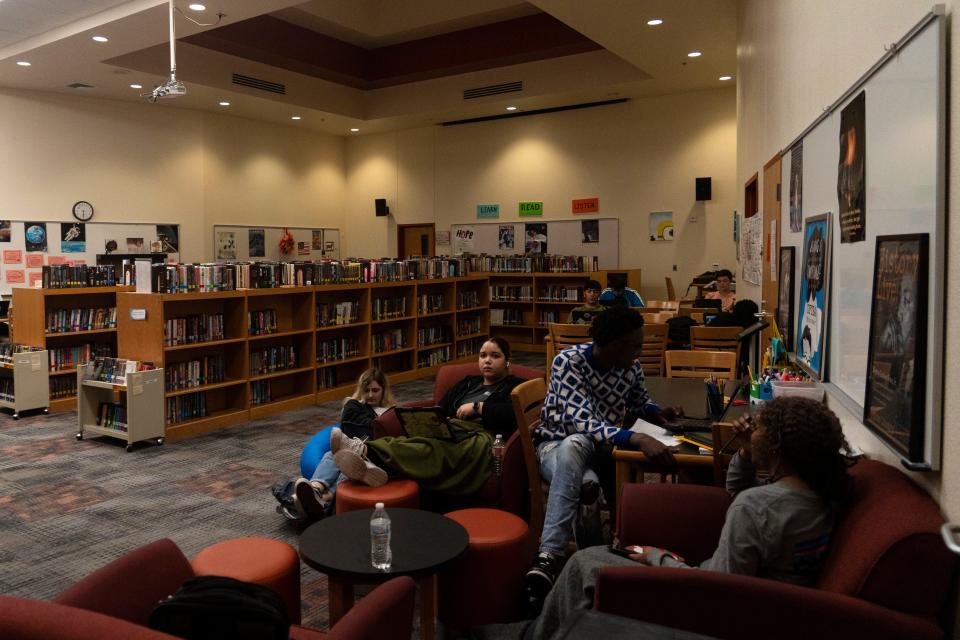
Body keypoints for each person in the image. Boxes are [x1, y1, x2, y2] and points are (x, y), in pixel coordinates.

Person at [495, 397, 852, 640]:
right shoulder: (820, 492)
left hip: (710, 605)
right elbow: (737, 493)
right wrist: (744, 451)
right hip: (761, 603)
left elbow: (719, 593)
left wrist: (658, 557)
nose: (749, 431)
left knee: (584, 562)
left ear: (775, 445)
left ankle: (531, 635)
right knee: (601, 559)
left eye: (757, 429)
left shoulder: (757, 508)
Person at [525, 307, 677, 600]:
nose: (640, 352)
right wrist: (638, 437)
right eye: (635, 346)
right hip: (554, 447)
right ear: (614, 344)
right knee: (577, 452)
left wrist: (657, 413)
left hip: (600, 449)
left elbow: (639, 399)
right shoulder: (569, 363)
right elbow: (586, 424)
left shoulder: (629, 366)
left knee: (587, 475)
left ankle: (555, 561)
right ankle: (562, 555)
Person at [331, 337, 525, 496]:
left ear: (507, 361)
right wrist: (432, 421)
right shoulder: (468, 383)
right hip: (452, 428)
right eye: (483, 355)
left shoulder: (515, 386)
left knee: (432, 448)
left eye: (495, 356)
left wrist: (479, 407)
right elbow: (441, 407)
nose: (487, 360)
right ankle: (371, 463)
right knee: (409, 440)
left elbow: (515, 414)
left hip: (480, 436)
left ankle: (367, 452)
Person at [294, 368, 396, 516]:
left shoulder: (391, 412)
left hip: (372, 455)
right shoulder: (354, 405)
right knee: (335, 454)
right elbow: (350, 427)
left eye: (375, 390)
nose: (371, 395)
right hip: (350, 450)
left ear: (384, 390)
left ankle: (321, 498)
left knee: (350, 462)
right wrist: (376, 424)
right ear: (361, 390)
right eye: (367, 390)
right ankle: (317, 489)